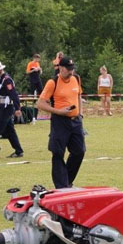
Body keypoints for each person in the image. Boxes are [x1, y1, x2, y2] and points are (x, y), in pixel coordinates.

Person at [37, 56, 85, 188]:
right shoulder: (53, 82)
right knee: (58, 153)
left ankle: (67, 181)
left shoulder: (76, 78)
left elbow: (79, 96)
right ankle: (62, 186)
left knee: (79, 151)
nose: (71, 72)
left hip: (76, 122)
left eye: (72, 69)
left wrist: (80, 113)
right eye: (68, 69)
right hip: (60, 122)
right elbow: (40, 103)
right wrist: (58, 111)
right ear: (61, 68)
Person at [0, 59, 24, 158]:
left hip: (8, 107)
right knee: (10, 130)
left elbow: (13, 94)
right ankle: (18, 150)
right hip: (2, 106)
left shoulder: (7, 79)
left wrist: (17, 108)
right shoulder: (0, 79)